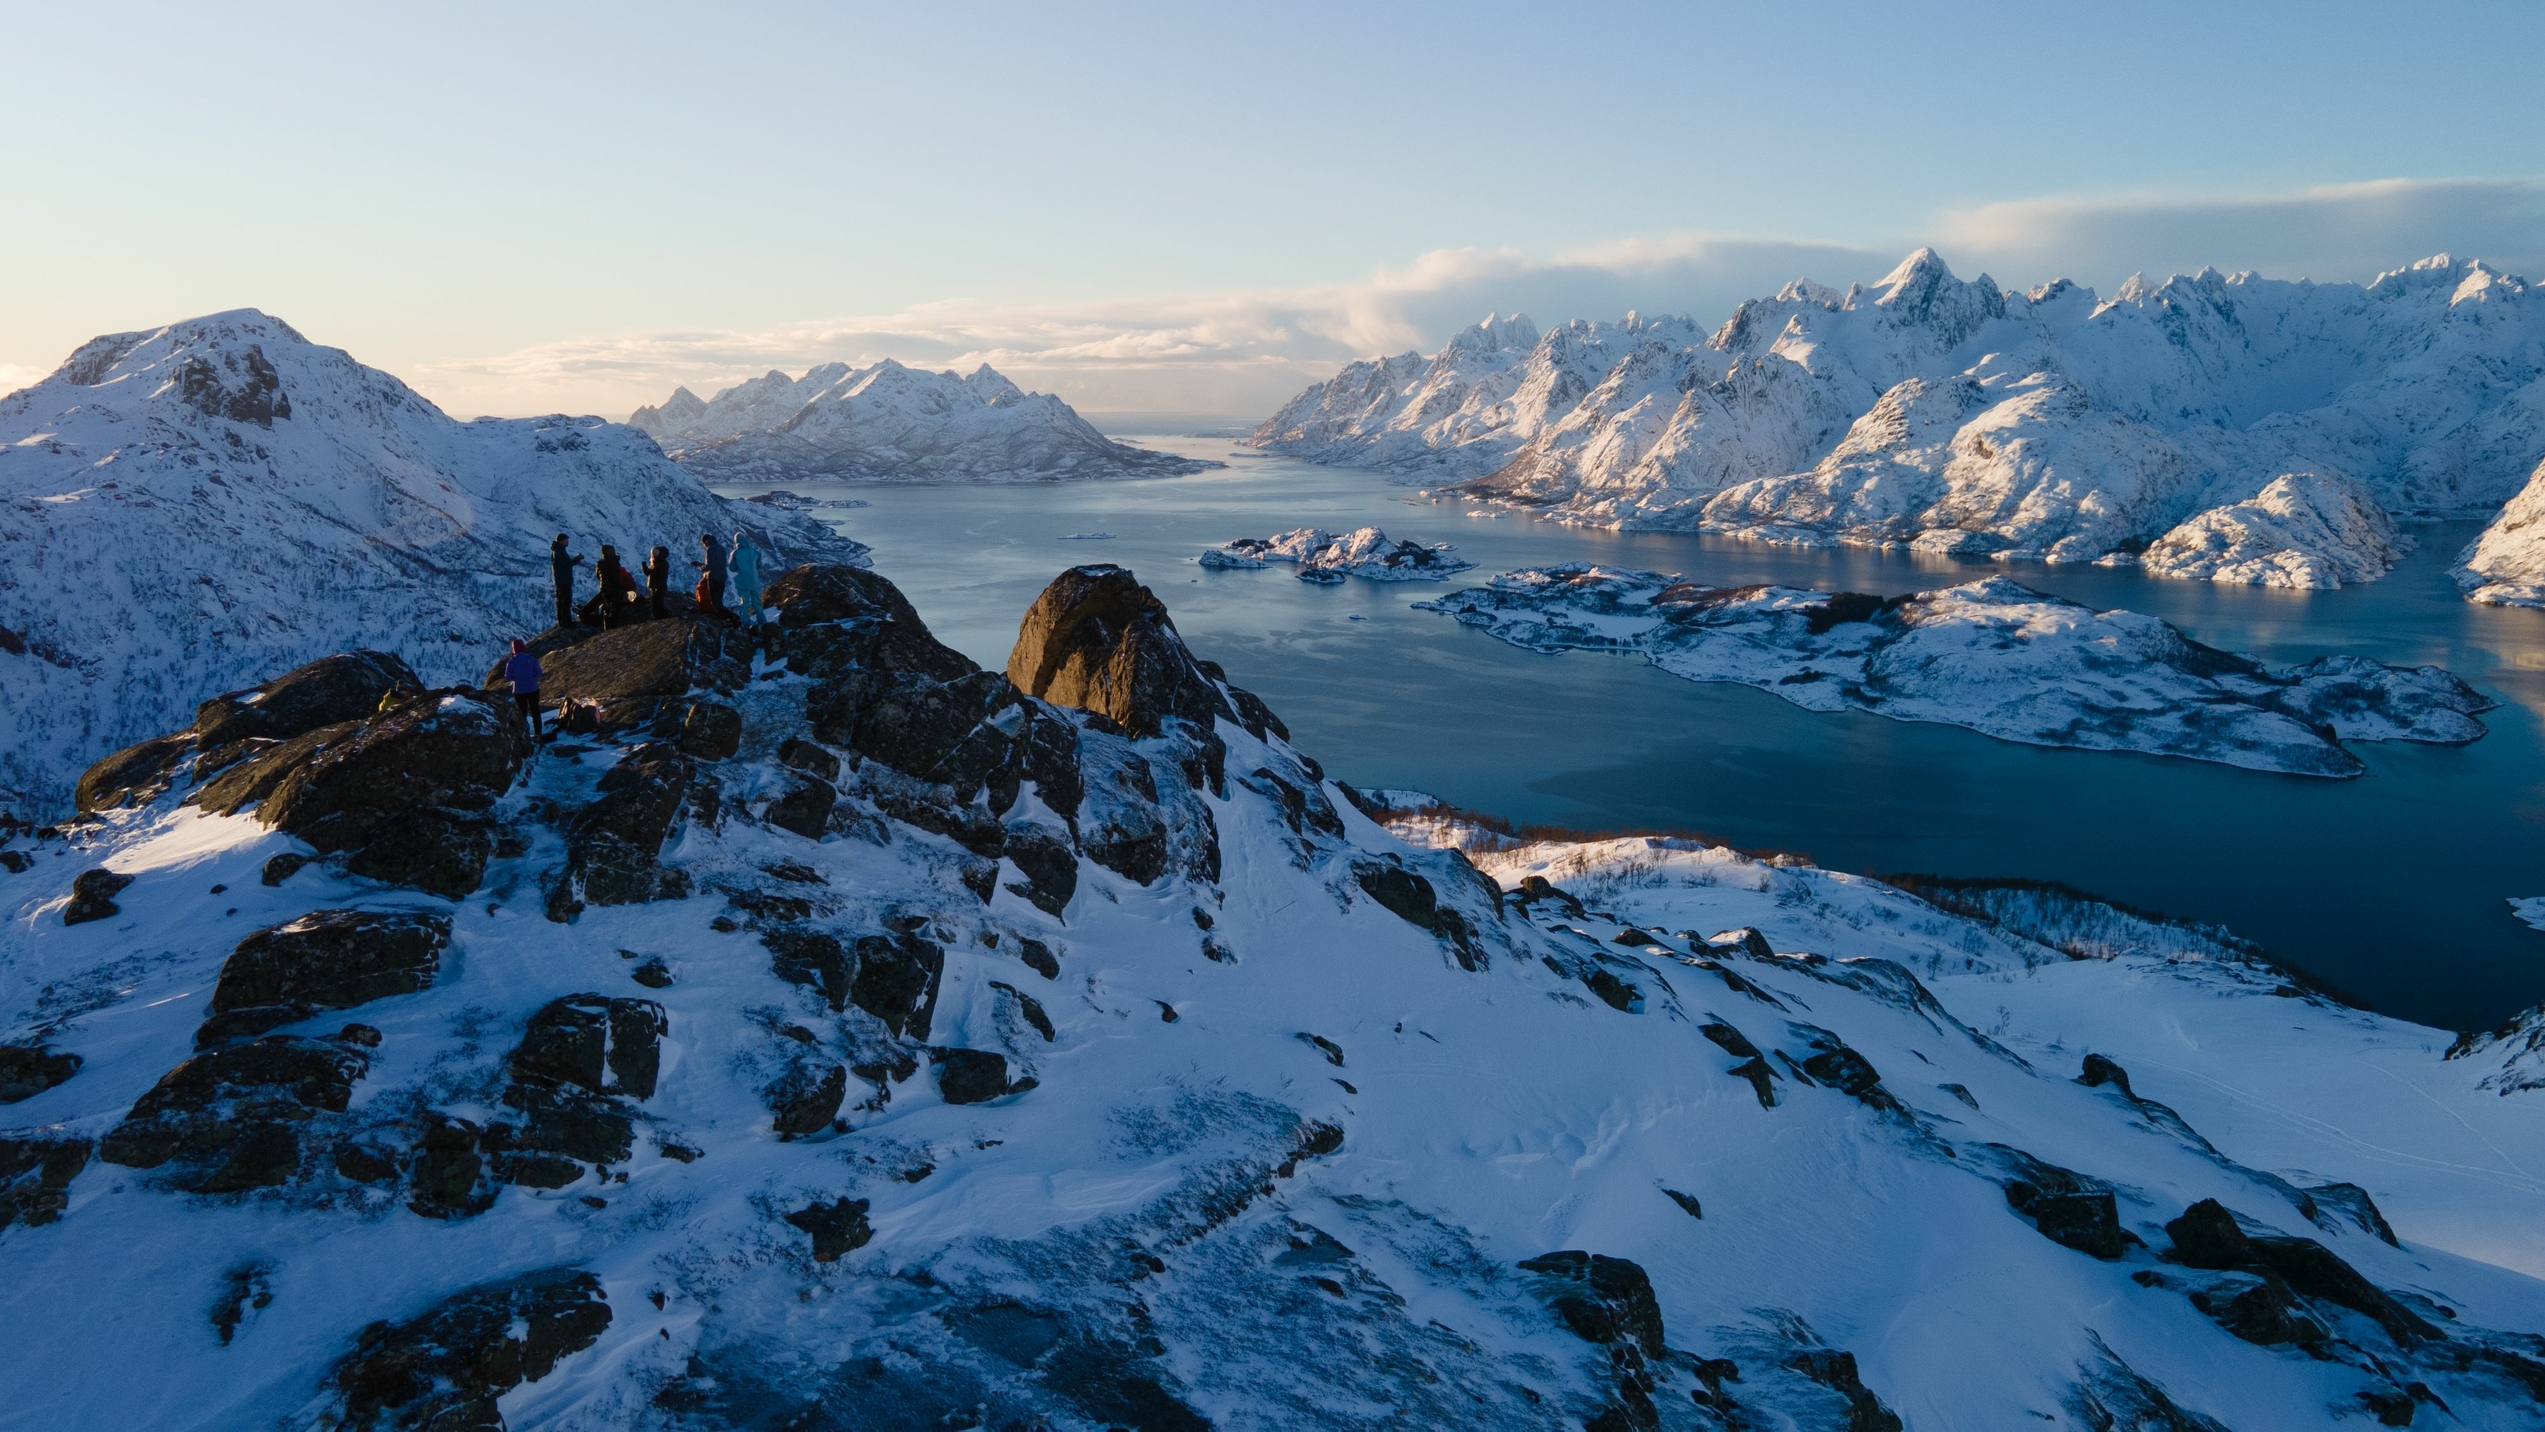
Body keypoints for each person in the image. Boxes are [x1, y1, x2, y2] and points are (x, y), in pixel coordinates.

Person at [502, 638, 546, 739]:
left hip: (518, 690)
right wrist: (531, 677)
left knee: (522, 713)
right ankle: (538, 732)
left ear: (514, 649)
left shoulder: (511, 661)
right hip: (533, 688)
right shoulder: (531, 659)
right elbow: (539, 673)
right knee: (535, 710)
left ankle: (524, 734)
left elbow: (507, 677)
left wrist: (516, 678)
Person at [594, 545, 637, 630]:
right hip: (615, 588)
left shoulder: (600, 563)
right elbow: (616, 577)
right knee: (615, 608)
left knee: (608, 606)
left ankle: (606, 625)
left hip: (604, 588)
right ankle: (613, 626)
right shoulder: (614, 563)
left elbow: (598, 576)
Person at [548, 534, 583, 629]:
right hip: (564, 580)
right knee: (566, 601)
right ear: (562, 541)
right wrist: (578, 558)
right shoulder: (560, 552)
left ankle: (561, 622)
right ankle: (567, 622)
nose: (567, 542)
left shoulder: (556, 550)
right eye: (566, 540)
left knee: (560, 602)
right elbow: (568, 564)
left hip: (559, 580)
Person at [729, 531, 764, 627]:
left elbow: (732, 568)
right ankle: (763, 623)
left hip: (742, 582)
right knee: (757, 603)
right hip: (755, 580)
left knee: (744, 604)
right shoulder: (755, 552)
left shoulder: (735, 553)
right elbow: (760, 566)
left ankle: (746, 624)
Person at [695, 532, 729, 615]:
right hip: (722, 577)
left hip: (713, 578)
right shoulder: (721, 548)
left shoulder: (710, 549)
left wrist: (699, 566)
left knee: (714, 603)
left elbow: (710, 566)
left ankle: (724, 619)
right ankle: (728, 617)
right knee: (719, 601)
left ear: (705, 542)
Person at [643, 545, 672, 620]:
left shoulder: (661, 565)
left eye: (656, 552)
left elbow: (657, 576)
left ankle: (660, 617)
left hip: (659, 588)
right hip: (655, 587)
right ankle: (658, 617)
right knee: (655, 603)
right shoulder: (656, 564)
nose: (654, 554)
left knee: (658, 604)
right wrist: (644, 566)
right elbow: (648, 573)